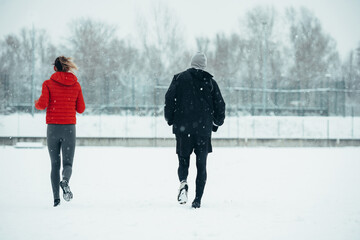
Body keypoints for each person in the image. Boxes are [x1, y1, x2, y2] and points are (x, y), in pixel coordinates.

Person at [164, 52, 225, 208]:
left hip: (183, 129)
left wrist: (170, 119)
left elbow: (169, 99)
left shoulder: (179, 79)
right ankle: (197, 199)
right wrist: (217, 122)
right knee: (201, 165)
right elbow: (220, 104)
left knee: (183, 161)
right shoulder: (210, 82)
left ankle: (183, 182)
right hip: (203, 131)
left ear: (191, 63)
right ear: (204, 66)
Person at [35, 56, 85, 207]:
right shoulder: (76, 85)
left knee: (54, 165)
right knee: (68, 164)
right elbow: (81, 109)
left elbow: (42, 104)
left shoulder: (48, 84)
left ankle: (56, 199)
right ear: (68, 68)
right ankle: (65, 181)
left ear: (55, 68)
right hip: (69, 128)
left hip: (53, 129)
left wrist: (36, 103)